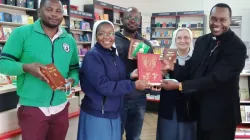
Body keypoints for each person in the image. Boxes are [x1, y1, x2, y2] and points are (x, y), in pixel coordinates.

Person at [161, 3, 246, 140]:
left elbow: (215, 79)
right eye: (213, 19)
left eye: (222, 20)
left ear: (230, 20)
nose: (217, 23)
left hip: (222, 116)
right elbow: (192, 69)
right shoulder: (202, 41)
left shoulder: (237, 47)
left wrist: (180, 86)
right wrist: (172, 67)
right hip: (199, 112)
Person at [0, 0, 79, 140]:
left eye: (58, 11)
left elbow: (74, 69)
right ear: (39, 12)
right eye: (49, 9)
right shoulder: (21, 33)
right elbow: (3, 63)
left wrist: (71, 81)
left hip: (61, 107)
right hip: (32, 108)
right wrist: (26, 67)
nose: (54, 14)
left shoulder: (69, 40)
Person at [77, 20, 149, 140]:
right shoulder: (93, 56)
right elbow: (104, 86)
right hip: (98, 114)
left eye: (110, 33)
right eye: (101, 33)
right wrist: (133, 85)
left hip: (113, 112)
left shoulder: (113, 55)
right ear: (95, 35)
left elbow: (116, 79)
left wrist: (131, 75)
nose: (107, 37)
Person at [115, 7, 153, 140]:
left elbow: (151, 69)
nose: (133, 21)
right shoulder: (112, 40)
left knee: (135, 136)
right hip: (118, 97)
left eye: (136, 19)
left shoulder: (145, 44)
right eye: (129, 18)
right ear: (122, 19)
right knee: (115, 135)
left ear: (140, 21)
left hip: (138, 98)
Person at [157, 28, 197, 140]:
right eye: (179, 38)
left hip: (189, 107)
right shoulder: (167, 56)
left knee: (188, 136)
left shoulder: (197, 58)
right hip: (169, 106)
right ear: (174, 40)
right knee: (167, 135)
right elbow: (159, 77)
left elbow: (196, 80)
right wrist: (160, 72)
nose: (182, 40)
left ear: (191, 39)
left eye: (186, 37)